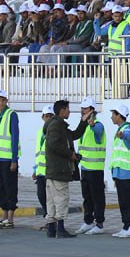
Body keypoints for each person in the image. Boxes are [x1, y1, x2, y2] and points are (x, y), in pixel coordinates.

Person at [71, 97, 107, 234]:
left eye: (85, 108)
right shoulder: (84, 126)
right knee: (87, 198)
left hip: (95, 169)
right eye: (82, 108)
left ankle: (99, 224)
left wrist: (91, 124)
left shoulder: (97, 125)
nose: (82, 111)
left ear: (92, 110)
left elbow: (98, 131)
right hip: (85, 168)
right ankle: (88, 221)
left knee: (97, 198)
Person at [43, 99, 76, 238]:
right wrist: (70, 154)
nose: (69, 111)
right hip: (59, 169)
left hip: (52, 170)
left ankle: (51, 228)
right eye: (68, 109)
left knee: (51, 200)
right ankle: (60, 229)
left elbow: (73, 135)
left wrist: (84, 122)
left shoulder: (55, 125)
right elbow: (54, 144)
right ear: (62, 111)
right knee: (61, 198)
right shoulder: (57, 125)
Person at [0, 90, 20, 228]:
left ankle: (10, 219)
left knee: (10, 188)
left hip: (8, 159)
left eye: (3, 100)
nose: (0, 102)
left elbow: (15, 137)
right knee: (0, 188)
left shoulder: (11, 114)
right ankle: (4, 216)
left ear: (7, 100)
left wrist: (14, 159)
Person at [109, 103, 130, 238]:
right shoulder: (120, 130)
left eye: (113, 115)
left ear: (119, 116)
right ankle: (126, 226)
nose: (111, 117)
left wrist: (122, 136)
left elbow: (129, 138)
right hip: (119, 172)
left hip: (126, 172)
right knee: (123, 201)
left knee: (129, 200)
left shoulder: (127, 130)